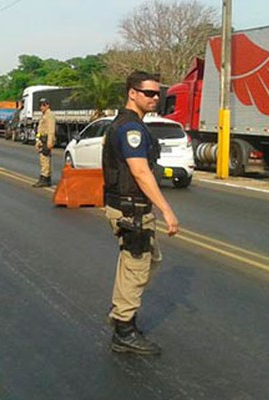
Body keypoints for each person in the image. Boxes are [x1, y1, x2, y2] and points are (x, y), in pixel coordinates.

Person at [102, 71, 179, 355]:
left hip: (130, 207)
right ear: (132, 93)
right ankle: (124, 330)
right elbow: (140, 171)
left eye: (158, 93)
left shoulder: (131, 125)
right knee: (136, 265)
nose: (155, 98)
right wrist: (167, 209)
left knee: (141, 262)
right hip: (130, 208)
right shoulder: (129, 129)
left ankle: (123, 315)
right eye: (149, 93)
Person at [33, 98, 56, 187]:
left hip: (47, 139)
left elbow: (51, 130)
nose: (41, 107)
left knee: (45, 159)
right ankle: (46, 178)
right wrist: (37, 140)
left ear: (47, 105)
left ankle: (44, 178)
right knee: (43, 159)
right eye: (40, 105)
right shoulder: (44, 115)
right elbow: (40, 130)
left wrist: (50, 142)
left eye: (43, 105)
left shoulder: (49, 115)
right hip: (42, 139)